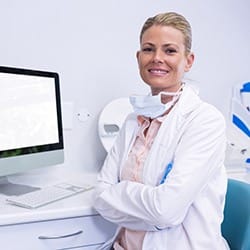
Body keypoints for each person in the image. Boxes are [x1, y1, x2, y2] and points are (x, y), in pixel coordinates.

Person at [94, 12, 229, 250]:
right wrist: (150, 211)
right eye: (148, 49)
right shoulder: (132, 120)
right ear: (138, 58)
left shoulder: (205, 121)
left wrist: (119, 192)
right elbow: (100, 196)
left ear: (188, 60)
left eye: (170, 50)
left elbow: (165, 211)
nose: (157, 58)